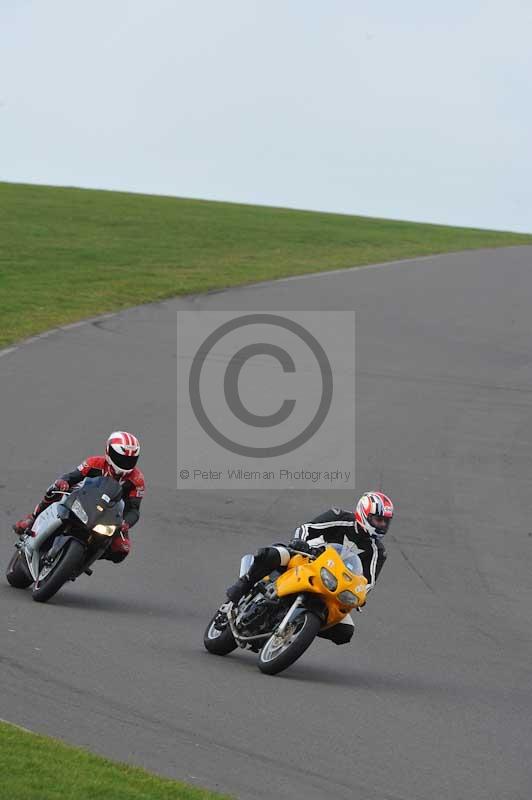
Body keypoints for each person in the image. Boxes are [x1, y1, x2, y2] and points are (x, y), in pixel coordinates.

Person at [226, 491, 394, 645]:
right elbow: (307, 528)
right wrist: (301, 543)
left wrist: (360, 596)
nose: (381, 525)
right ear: (363, 513)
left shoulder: (378, 552)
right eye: (378, 519)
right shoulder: (340, 517)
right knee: (272, 554)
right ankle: (243, 584)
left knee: (345, 631)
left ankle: (297, 629)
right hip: (307, 559)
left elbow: (367, 583)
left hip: (333, 584)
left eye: (385, 521)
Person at [13, 431, 144, 563]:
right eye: (121, 458)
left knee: (122, 549)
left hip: (109, 513)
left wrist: (126, 523)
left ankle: (83, 559)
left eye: (130, 460)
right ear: (108, 451)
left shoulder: (137, 480)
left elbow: (134, 509)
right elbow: (72, 476)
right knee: (54, 489)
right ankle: (33, 519)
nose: (125, 463)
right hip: (81, 498)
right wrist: (64, 482)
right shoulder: (94, 462)